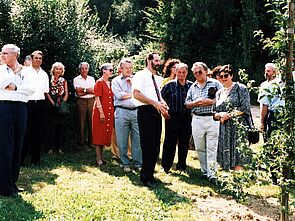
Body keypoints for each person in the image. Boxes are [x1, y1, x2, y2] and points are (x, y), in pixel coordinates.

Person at [0, 44, 35, 197]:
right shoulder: (1, 69)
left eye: (5, 53)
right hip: (5, 108)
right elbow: (1, 85)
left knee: (17, 145)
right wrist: (13, 73)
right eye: (1, 53)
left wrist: (15, 88)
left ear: (15, 55)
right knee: (5, 146)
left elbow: (32, 89)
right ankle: (4, 186)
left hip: (21, 108)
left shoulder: (27, 71)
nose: (2, 55)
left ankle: (12, 182)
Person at [133, 51, 169, 187]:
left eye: (159, 60)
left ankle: (151, 174)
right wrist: (154, 103)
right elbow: (136, 94)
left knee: (155, 145)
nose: (159, 63)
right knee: (147, 145)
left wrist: (162, 104)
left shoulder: (158, 78)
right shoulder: (140, 76)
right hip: (145, 111)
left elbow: (158, 96)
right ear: (149, 61)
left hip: (156, 112)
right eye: (156, 60)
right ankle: (145, 177)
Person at [185, 62, 222, 183]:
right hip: (197, 119)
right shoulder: (193, 87)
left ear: (206, 71)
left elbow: (224, 99)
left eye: (199, 71)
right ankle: (205, 171)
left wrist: (210, 102)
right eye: (195, 73)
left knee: (212, 146)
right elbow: (186, 103)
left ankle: (212, 174)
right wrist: (195, 103)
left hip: (212, 118)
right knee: (200, 147)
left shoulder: (215, 84)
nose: (197, 74)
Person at [213, 65, 251, 171]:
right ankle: (228, 175)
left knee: (238, 152)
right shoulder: (219, 92)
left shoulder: (241, 88)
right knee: (225, 151)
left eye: (226, 75)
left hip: (238, 126)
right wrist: (220, 115)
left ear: (232, 76)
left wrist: (228, 115)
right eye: (221, 76)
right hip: (224, 128)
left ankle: (239, 178)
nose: (224, 78)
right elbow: (214, 111)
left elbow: (245, 107)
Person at [161, 63, 193, 173]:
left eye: (184, 72)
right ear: (175, 72)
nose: (181, 74)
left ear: (187, 73)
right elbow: (161, 99)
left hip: (186, 117)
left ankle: (181, 166)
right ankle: (166, 166)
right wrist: (164, 110)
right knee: (169, 142)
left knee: (184, 142)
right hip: (172, 117)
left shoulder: (191, 86)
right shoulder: (169, 85)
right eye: (179, 72)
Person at [112, 58, 142, 172]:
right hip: (121, 111)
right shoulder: (115, 81)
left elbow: (142, 93)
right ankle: (125, 163)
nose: (129, 70)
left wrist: (132, 84)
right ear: (121, 69)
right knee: (122, 139)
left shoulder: (137, 80)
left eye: (130, 68)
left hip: (136, 111)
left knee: (137, 139)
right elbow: (119, 96)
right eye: (126, 68)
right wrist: (134, 94)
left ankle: (137, 163)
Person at [22, 50, 49, 166]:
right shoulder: (24, 71)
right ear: (32, 59)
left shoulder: (44, 74)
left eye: (40, 58)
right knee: (25, 131)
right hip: (28, 103)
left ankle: (35, 159)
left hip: (41, 104)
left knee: (38, 132)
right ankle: (21, 159)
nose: (38, 60)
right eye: (36, 58)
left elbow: (45, 91)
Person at [92, 63, 114, 165]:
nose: (111, 72)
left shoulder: (110, 83)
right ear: (104, 71)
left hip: (108, 111)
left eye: (112, 70)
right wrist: (101, 112)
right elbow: (97, 98)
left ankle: (102, 156)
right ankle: (98, 158)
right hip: (100, 111)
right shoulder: (99, 82)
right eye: (110, 70)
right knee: (98, 134)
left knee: (104, 133)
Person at [45, 62, 69, 154]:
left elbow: (66, 93)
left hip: (61, 103)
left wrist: (62, 103)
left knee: (61, 126)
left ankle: (59, 148)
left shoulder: (63, 80)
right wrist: (53, 103)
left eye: (60, 69)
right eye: (57, 68)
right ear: (53, 69)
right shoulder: (49, 80)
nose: (58, 70)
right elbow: (46, 92)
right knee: (51, 126)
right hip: (51, 103)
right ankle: (50, 148)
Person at [257, 63, 284, 140]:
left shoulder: (267, 86)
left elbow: (264, 105)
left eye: (268, 71)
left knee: (270, 139)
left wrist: (262, 122)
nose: (266, 73)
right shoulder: (282, 83)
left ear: (274, 72)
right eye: (265, 71)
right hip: (281, 114)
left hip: (273, 115)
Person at [73, 62, 95, 149]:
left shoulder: (92, 79)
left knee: (91, 122)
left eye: (86, 68)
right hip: (81, 101)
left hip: (91, 101)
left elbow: (94, 91)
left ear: (88, 69)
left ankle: (92, 142)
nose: (84, 70)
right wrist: (87, 90)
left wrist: (83, 90)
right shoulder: (76, 79)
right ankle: (80, 143)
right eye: (82, 68)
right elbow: (78, 92)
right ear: (79, 69)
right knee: (81, 122)